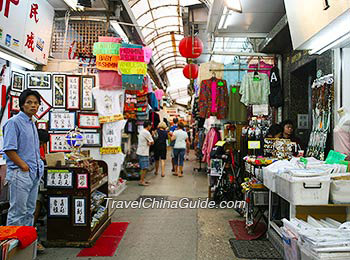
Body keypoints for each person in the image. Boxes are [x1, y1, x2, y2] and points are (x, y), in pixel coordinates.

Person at [3, 89, 44, 227]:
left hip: (34, 173)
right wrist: (23, 166)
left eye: (36, 103)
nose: (33, 105)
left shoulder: (31, 123)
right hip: (20, 173)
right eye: (29, 102)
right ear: (22, 105)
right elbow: (9, 149)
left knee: (29, 212)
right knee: (17, 212)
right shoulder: (13, 122)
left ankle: (26, 245)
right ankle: (12, 247)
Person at [136, 120, 154, 186]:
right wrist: (150, 142)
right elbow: (152, 142)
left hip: (140, 151)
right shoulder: (147, 132)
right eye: (150, 125)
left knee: (143, 167)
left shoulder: (142, 131)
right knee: (144, 167)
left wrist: (148, 142)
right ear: (148, 126)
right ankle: (141, 181)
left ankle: (142, 179)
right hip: (144, 152)